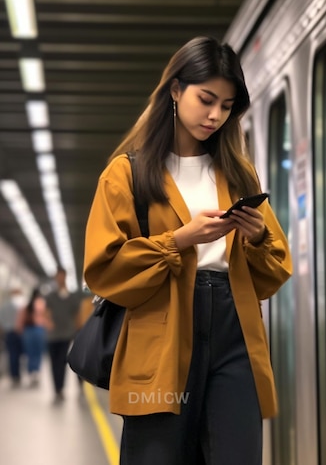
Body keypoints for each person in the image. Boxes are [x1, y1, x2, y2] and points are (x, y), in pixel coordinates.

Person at [83, 36, 293, 465]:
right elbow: (103, 269)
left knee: (237, 454)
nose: (215, 115)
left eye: (227, 105)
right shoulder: (127, 174)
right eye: (206, 99)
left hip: (234, 330)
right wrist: (179, 240)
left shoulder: (239, 173)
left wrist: (255, 239)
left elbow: (274, 274)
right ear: (175, 91)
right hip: (159, 335)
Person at [45, 267, 81, 403]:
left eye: (62, 276)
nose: (60, 279)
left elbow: (77, 315)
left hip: (66, 334)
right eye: (58, 276)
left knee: (62, 362)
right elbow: (47, 312)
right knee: (54, 363)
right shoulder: (50, 296)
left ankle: (60, 388)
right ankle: (56, 387)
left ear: (65, 277)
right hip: (53, 335)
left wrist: (79, 331)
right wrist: (48, 323)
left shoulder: (72, 297)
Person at [16, 287, 47, 387]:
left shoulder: (27, 305)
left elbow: (21, 319)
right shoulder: (42, 304)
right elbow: (46, 318)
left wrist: (20, 330)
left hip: (28, 331)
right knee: (38, 353)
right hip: (39, 330)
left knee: (30, 353)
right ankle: (35, 373)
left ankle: (31, 373)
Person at [0, 286, 25, 387]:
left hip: (9, 332)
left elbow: (1, 321)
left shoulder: (5, 307)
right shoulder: (21, 306)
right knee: (17, 355)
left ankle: (15, 375)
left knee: (12, 354)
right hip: (18, 333)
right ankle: (16, 375)